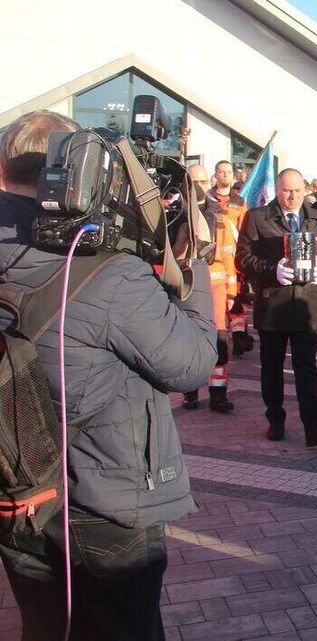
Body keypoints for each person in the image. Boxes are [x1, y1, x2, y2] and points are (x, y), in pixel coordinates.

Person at [0, 110, 217, 640]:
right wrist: (192, 265)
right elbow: (191, 363)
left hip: (17, 489)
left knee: (45, 627)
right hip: (102, 500)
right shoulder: (106, 271)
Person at [236, 168, 317, 446]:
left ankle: (314, 427)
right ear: (277, 190)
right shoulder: (257, 218)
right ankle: (275, 419)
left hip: (307, 306)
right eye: (286, 190)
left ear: (305, 190)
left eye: (297, 190)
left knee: (306, 368)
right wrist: (273, 270)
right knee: (271, 367)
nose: (292, 196)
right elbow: (243, 259)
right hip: (273, 305)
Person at [181, 163, 239, 413]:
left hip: (215, 289)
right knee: (187, 341)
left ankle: (218, 394)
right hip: (184, 286)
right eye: (194, 182)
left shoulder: (221, 216)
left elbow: (229, 255)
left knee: (220, 343)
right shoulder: (173, 213)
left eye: (203, 182)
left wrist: (232, 292)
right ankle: (190, 392)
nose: (199, 187)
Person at [208, 160, 254, 357]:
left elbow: (246, 229)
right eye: (222, 172)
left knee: (237, 299)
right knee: (217, 302)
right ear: (216, 175)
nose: (225, 175)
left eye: (228, 172)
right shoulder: (207, 198)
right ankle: (220, 337)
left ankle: (238, 336)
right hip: (212, 258)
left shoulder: (240, 201)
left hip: (234, 259)